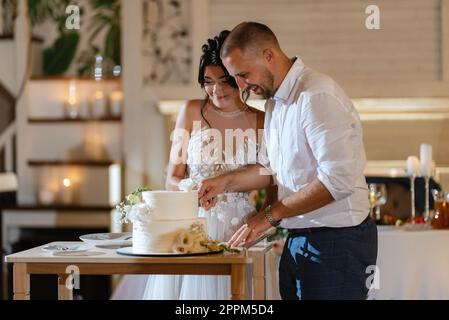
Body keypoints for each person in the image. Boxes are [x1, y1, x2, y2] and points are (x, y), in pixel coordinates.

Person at [198, 22, 378, 300]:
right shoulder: (274, 103)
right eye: (237, 78)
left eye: (244, 74)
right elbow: (270, 169)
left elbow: (337, 181)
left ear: (268, 55)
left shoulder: (316, 95)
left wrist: (268, 216)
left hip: (337, 241)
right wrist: (224, 182)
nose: (242, 86)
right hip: (298, 238)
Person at [111, 30, 272, 300]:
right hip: (191, 228)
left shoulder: (262, 120)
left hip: (240, 228)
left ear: (240, 78)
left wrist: (264, 222)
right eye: (208, 81)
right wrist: (190, 189)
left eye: (224, 81)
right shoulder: (191, 110)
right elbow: (171, 178)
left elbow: (270, 177)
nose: (216, 90)